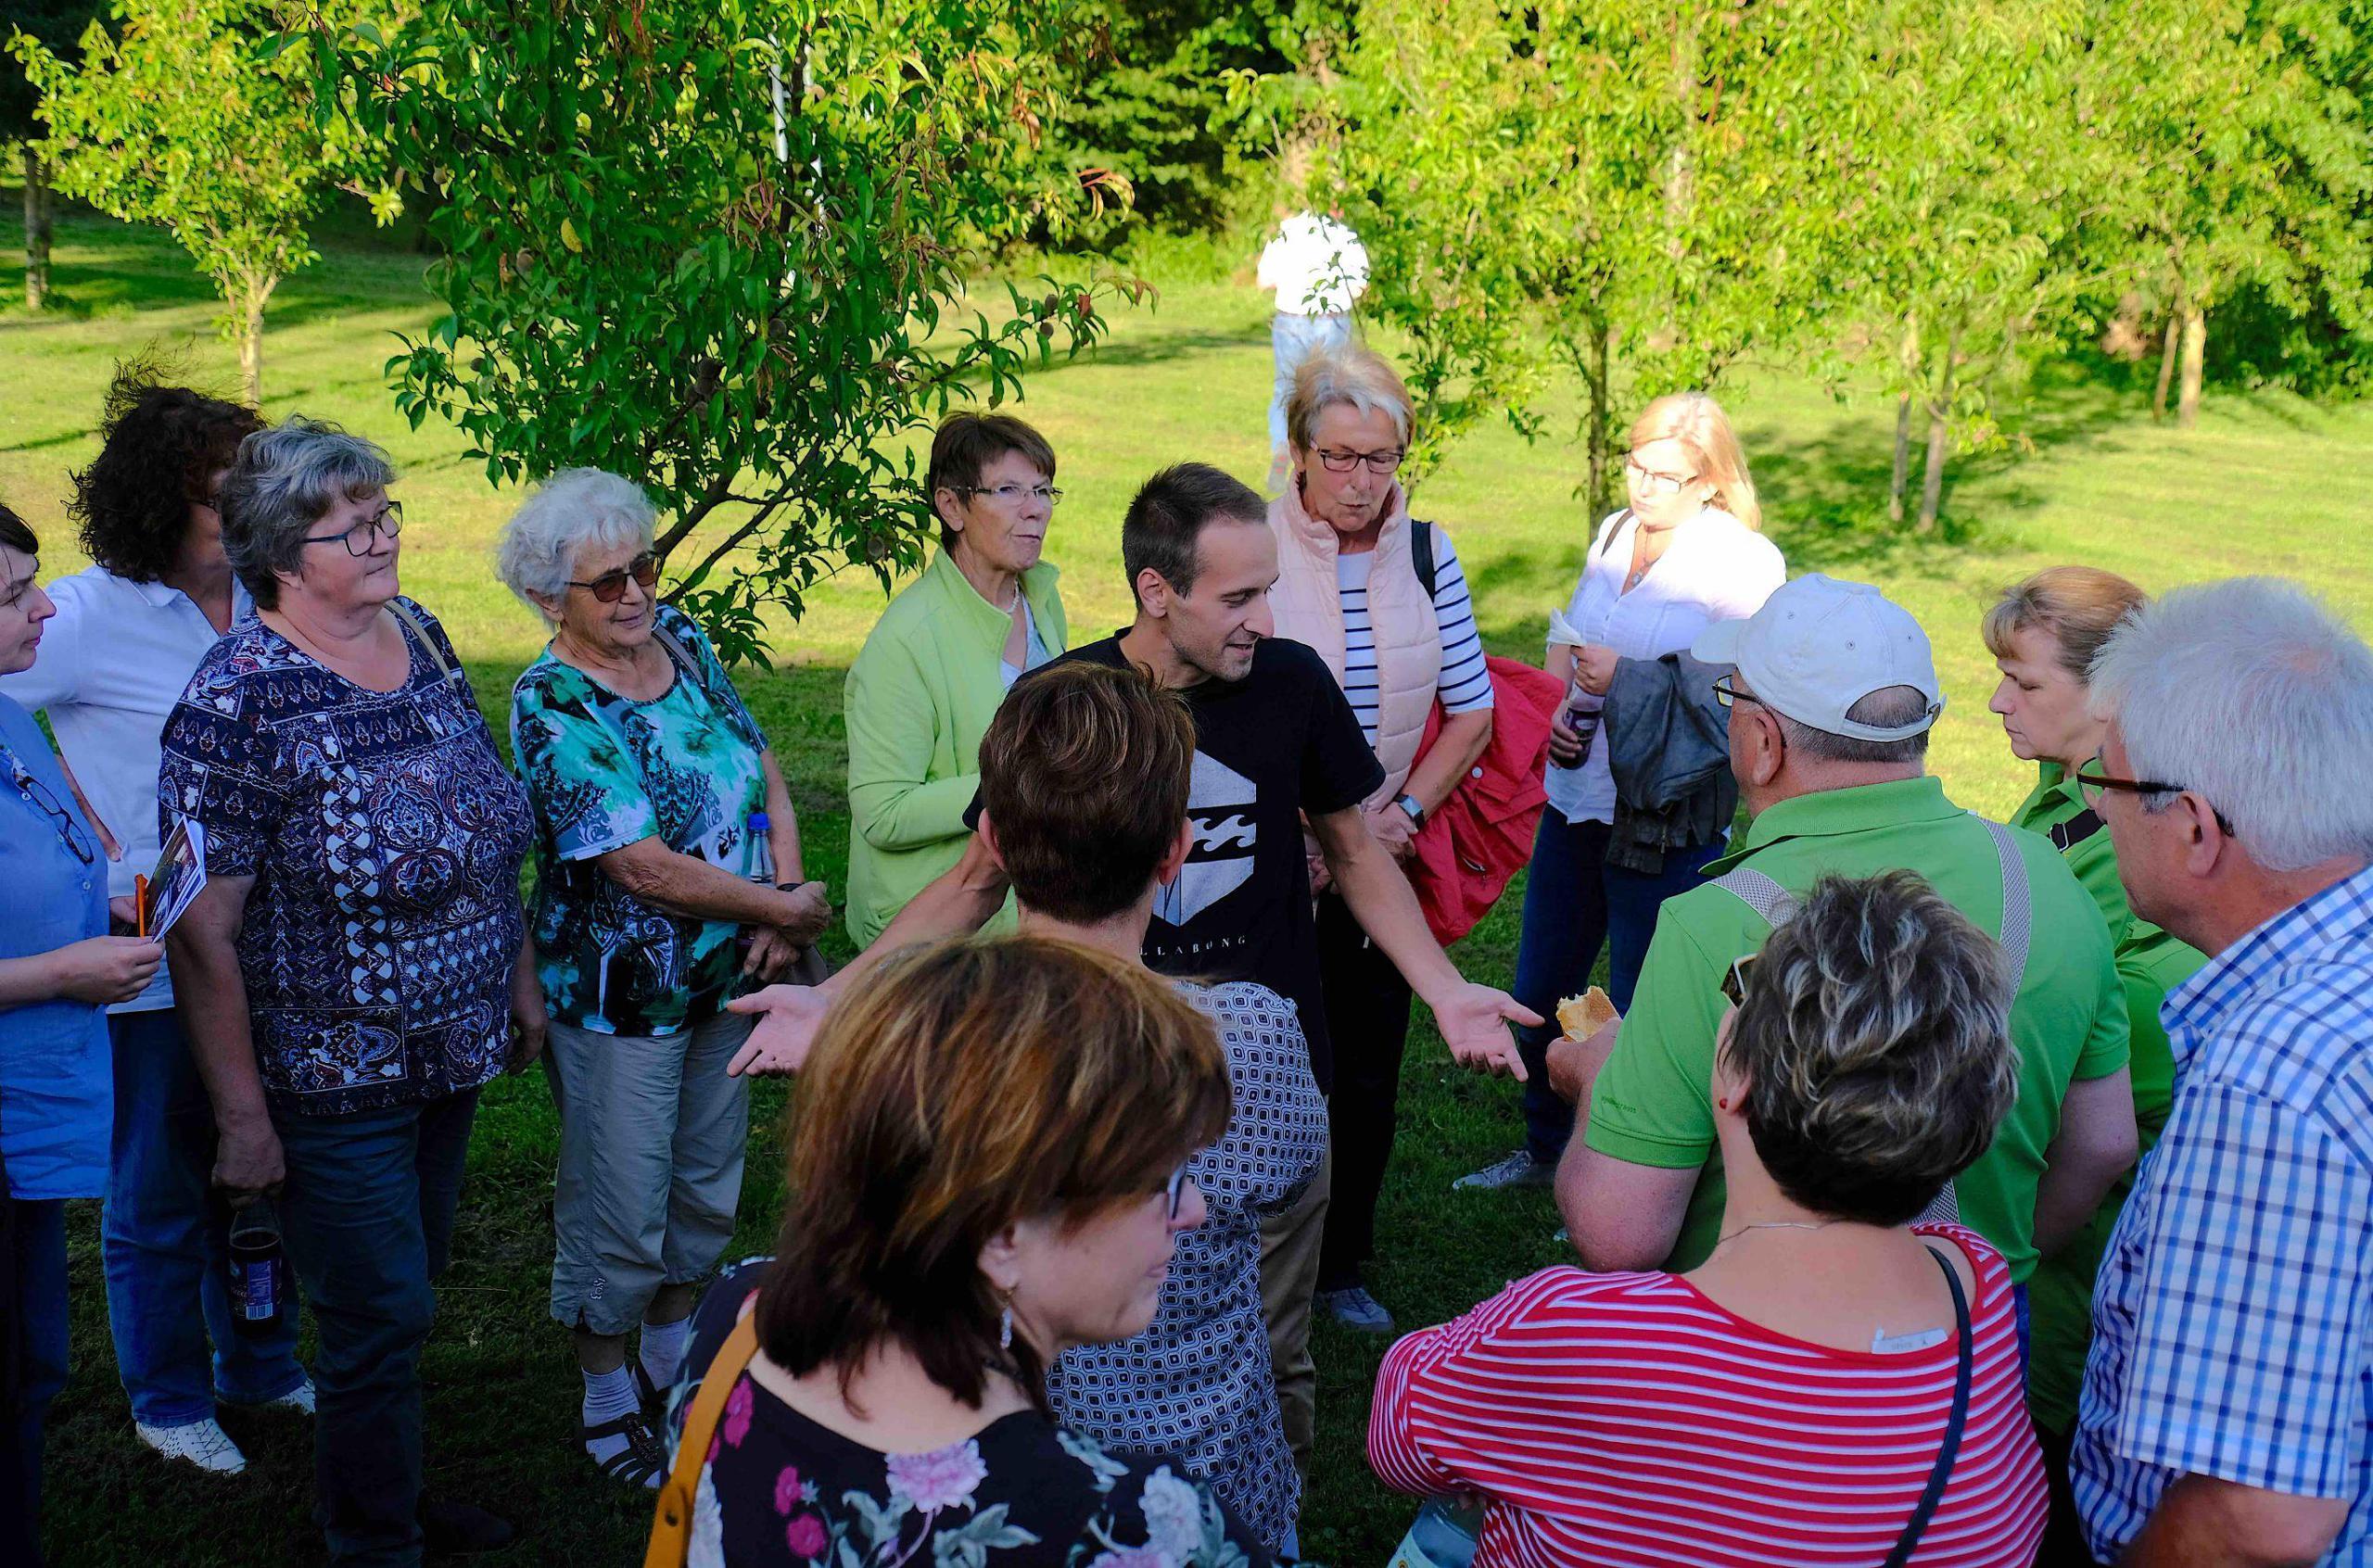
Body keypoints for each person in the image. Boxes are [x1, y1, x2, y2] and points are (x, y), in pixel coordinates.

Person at [728, 461, 1538, 1474]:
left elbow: (1356, 851)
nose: (1263, 618)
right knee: (1080, 1349)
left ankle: (1257, 1510)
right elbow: (980, 880)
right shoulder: (1065, 706)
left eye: (1267, 589)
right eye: (1237, 597)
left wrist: (1445, 989)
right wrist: (835, 994)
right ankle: (1092, 1504)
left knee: (1268, 1346)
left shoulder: (1291, 685)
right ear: (1158, 592)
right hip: (1091, 1084)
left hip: (1263, 1074)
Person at [1372, 872, 2048, 1565]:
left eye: (1741, 989)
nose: (1733, 995)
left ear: (1737, 1082)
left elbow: (1400, 1436)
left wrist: (1609, 1091)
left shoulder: (1575, 1332)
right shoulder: (1975, 1284)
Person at [159, 418, 539, 1566]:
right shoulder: (234, 706)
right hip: (333, 1081)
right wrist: (240, 1121)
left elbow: (485, 823)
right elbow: (198, 934)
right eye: (354, 527)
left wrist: (515, 978)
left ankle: (391, 1495)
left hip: (453, 1050)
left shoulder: (415, 635)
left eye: (386, 515)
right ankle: (371, 1537)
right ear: (281, 556)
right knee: (379, 1320)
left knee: (407, 1291)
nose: (383, 541)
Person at [1555, 574, 2138, 1311]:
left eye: (1733, 701)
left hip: (1774, 1362)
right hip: (1980, 1345)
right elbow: (2105, 1143)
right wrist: (2001, 1261)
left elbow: (1618, 1234)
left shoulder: (1710, 925)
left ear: (1763, 742)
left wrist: (1593, 1081)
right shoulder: (2051, 880)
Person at [664, 937, 1273, 1565]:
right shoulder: (1132, 1530)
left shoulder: (736, 1316)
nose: (1194, 1210)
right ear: (1002, 1233)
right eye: (1162, 1181)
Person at [0, 369, 314, 1474]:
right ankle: (170, 1395)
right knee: (160, 1180)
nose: (249, 512)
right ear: (156, 507)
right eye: (222, 494)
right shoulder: (85, 616)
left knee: (262, 1168)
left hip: (277, 949)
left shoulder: (284, 602)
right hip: (149, 956)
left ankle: (265, 1366)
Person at [497, 469, 831, 1487]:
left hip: (727, 973)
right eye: (608, 582)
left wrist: (779, 891)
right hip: (621, 998)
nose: (636, 591)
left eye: (643, 565)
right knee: (621, 1203)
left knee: (703, 1180)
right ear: (551, 600)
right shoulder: (549, 699)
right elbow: (635, 862)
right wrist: (785, 911)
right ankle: (605, 1387)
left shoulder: (678, 634)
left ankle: (671, 1352)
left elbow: (756, 758)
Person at [976, 660, 1326, 1553]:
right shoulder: (1247, 1035)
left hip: (1016, 1491)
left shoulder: (940, 1048)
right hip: (1219, 1482)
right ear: (1176, 851)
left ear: (996, 842)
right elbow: (1287, 1186)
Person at [2071, 577, 2373, 1566]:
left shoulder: (2273, 1082)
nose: (2093, 815)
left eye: (2102, 786)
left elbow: (2255, 1520)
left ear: (2195, 828)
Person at [1460, 390, 1784, 1196]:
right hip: (1579, 796)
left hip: (1665, 819)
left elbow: (1733, 692)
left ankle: (1637, 1171)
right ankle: (1543, 1148)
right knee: (1543, 983)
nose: (1644, 486)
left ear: (1709, 483)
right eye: (1637, 466)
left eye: (1666, 476)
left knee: (1648, 1002)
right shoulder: (1614, 531)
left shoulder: (1742, 562)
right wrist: (1565, 714)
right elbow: (1570, 640)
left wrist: (1627, 676)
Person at [1264, 345, 1494, 1334]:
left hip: (1383, 853)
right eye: (1341, 456)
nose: (1362, 481)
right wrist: (1304, 834)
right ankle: (1257, 1243)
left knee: (1363, 1066)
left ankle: (1339, 1261)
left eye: (1382, 458)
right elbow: (1218, 701)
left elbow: (1473, 712)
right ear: (1299, 452)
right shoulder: (1251, 545)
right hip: (1279, 855)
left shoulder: (1428, 553)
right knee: (1269, 1057)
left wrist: (1395, 818)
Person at [1980, 566, 2204, 1542]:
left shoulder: (2121, 840)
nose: (1995, 701)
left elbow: (2102, 1074)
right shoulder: (2061, 799)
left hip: (2075, 1282)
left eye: (2023, 683)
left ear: (2109, 695)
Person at [0, 500, 166, 1566]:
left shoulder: (10, 712)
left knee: (27, 1369)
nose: (45, 609)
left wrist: (93, 915)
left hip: (28, 1106)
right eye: (14, 597)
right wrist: (62, 971)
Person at [844, 412, 1067, 946]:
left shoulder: (1040, 596)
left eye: (1042, 490)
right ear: (951, 506)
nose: (1035, 508)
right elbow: (883, 813)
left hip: (1024, 920)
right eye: (1009, 490)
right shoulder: (906, 641)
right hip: (929, 939)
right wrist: (1029, 784)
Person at [1256, 211, 1368, 486]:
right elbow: (1360, 285)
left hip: (1290, 320)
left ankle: (1283, 449)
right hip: (1332, 321)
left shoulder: (1286, 232)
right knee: (1333, 390)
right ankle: (1328, 451)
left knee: (1286, 389)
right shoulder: (1344, 235)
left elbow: (1264, 280)